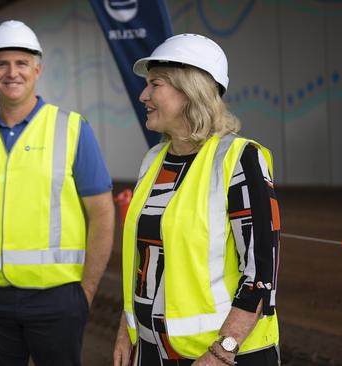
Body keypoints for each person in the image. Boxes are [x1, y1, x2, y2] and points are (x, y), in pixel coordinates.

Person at [0, 20, 115, 366]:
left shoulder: (72, 129)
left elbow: (101, 212)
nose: (12, 72)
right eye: (2, 64)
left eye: (21, 63)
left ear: (37, 69)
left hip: (57, 298)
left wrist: (85, 292)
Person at [113, 34, 281, 366]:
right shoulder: (153, 160)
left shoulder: (240, 159)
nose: (143, 95)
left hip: (222, 356)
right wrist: (126, 331)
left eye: (155, 84)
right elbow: (143, 263)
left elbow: (261, 275)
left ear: (190, 92)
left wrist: (222, 351)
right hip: (152, 352)